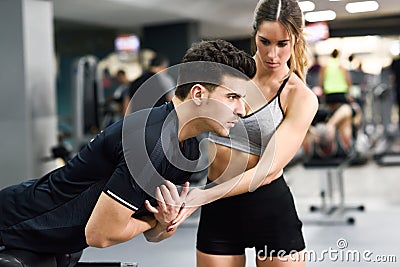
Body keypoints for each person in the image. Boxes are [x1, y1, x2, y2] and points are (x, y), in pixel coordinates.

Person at [0, 40, 256, 265]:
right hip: (12, 224)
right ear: (198, 94)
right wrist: (153, 222)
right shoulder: (149, 141)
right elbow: (100, 234)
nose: (242, 110)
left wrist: (163, 221)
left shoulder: (185, 146)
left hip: (51, 240)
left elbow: (158, 234)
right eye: (232, 97)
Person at [158, 1, 318, 266]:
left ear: (296, 40)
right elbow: (183, 116)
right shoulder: (227, 74)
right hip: (219, 211)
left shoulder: (299, 96)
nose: (272, 54)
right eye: (265, 41)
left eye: (282, 44)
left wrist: (203, 196)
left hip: (268, 208)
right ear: (254, 34)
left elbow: (267, 170)